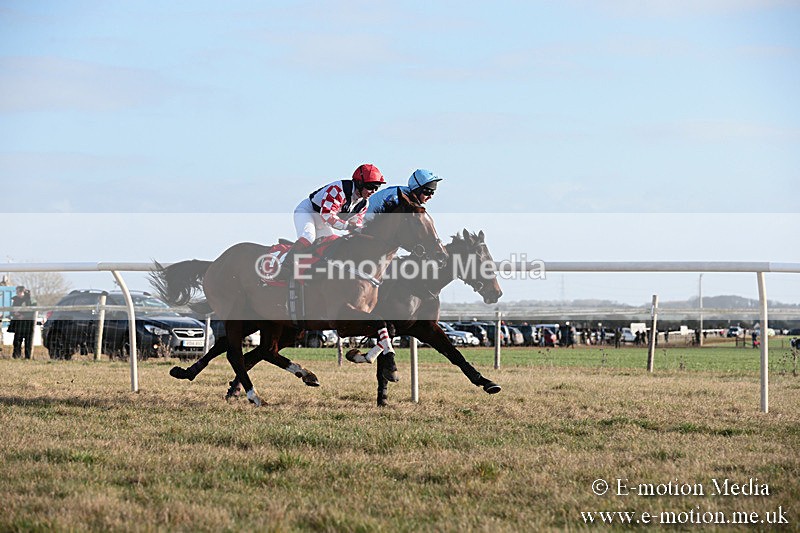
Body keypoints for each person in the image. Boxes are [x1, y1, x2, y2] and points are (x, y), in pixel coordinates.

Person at [277, 164, 385, 279]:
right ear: (359, 183)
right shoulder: (339, 189)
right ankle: (285, 266)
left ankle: (310, 271)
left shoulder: (364, 203)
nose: (373, 191)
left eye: (377, 187)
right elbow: (328, 217)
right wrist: (349, 226)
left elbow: (356, 225)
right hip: (308, 211)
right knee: (308, 237)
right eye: (370, 186)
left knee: (330, 246)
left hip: (322, 219)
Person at [367, 168, 442, 216]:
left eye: (432, 192)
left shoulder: (409, 198)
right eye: (427, 192)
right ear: (417, 190)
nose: (430, 196)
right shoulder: (396, 197)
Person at [10, 286, 34, 359]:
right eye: (17, 292)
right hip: (18, 323)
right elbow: (12, 310)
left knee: (28, 341)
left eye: (19, 292)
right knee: (17, 341)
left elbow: (33, 311)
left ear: (23, 292)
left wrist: (24, 316)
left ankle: (28, 357)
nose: (17, 293)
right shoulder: (15, 300)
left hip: (28, 324)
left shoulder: (30, 300)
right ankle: (16, 356)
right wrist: (15, 314)